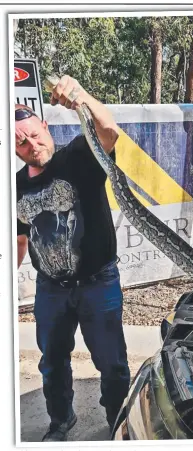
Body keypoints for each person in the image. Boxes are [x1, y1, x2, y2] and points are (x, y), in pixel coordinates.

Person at [16, 75, 130, 441]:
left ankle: (119, 422)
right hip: (50, 289)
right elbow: (21, 239)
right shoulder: (15, 187)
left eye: (35, 134)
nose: (31, 145)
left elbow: (110, 130)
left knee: (111, 364)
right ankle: (61, 421)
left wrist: (80, 94)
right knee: (51, 363)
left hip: (98, 283)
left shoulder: (80, 157)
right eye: (21, 141)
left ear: (46, 127)